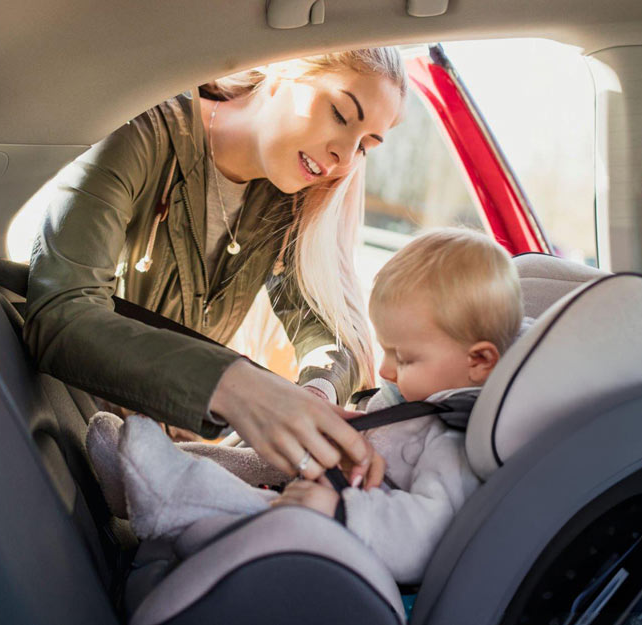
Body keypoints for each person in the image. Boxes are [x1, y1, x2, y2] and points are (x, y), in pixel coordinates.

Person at [23, 49, 407, 483]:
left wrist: (316, 394)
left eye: (366, 146)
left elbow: (325, 330)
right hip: (70, 432)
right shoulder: (142, 134)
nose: (344, 155)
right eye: (339, 113)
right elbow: (60, 315)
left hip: (158, 452)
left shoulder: (288, 195)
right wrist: (233, 386)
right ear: (284, 68)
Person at [86, 228, 526, 583]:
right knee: (254, 459)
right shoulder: (426, 395)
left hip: (335, 537)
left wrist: (337, 512)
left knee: (249, 505)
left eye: (405, 358)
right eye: (386, 350)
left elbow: (425, 536)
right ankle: (142, 474)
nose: (387, 370)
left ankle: (159, 486)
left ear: (479, 361)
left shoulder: (457, 441)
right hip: (329, 482)